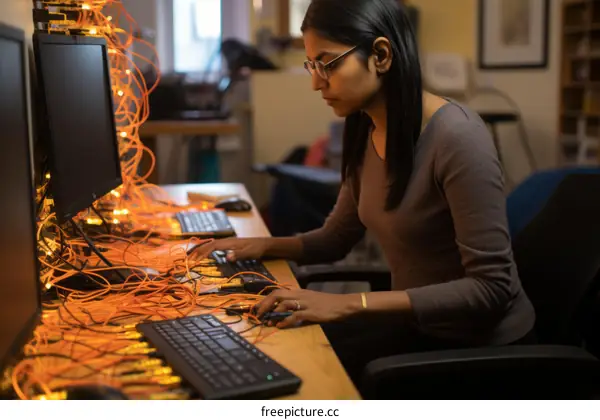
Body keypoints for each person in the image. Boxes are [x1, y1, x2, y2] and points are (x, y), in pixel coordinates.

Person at [194, 0, 536, 386]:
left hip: (475, 350)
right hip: (418, 326)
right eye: (312, 64)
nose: (315, 82)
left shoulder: (458, 138)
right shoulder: (366, 127)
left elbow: (492, 288)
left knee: (305, 376)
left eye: (328, 63)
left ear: (381, 55)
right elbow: (335, 239)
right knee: (273, 347)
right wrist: (262, 245)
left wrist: (348, 304)